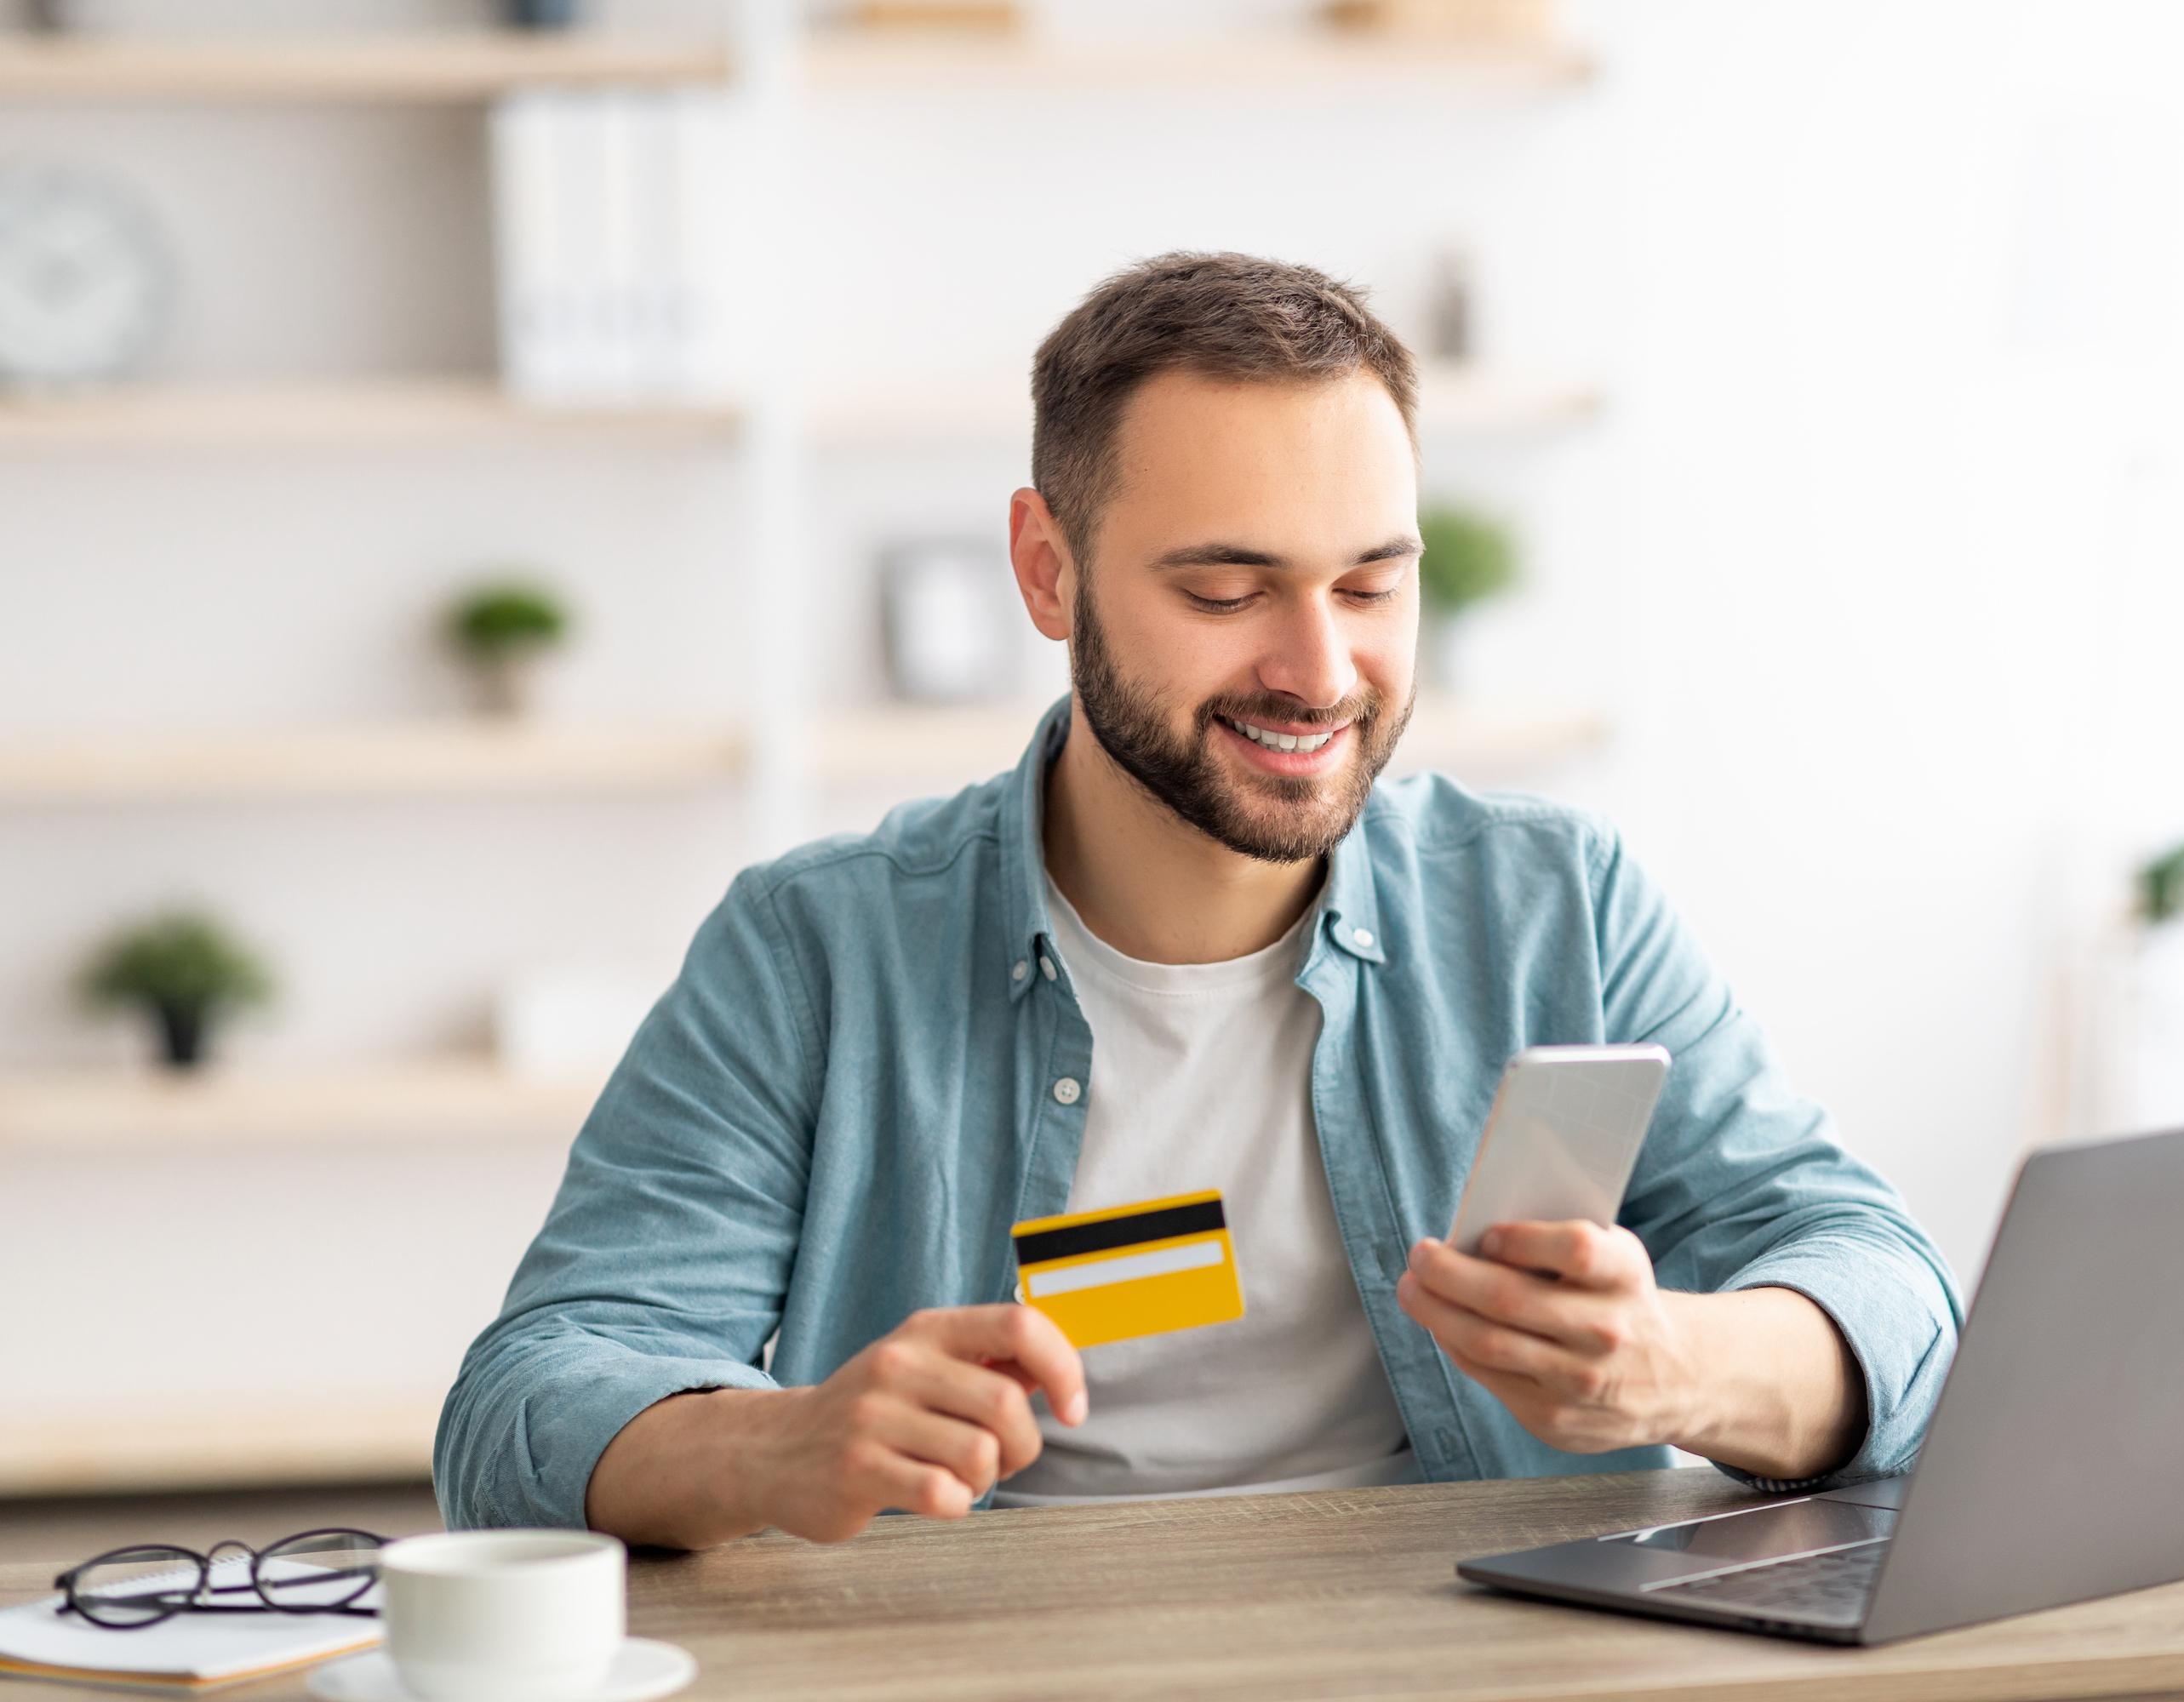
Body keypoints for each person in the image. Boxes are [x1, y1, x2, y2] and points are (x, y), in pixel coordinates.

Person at [434, 252, 1962, 1548]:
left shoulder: (1555, 902)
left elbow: (1891, 1294)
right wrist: (770, 1445)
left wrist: (1678, 1365)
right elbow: (525, 1397)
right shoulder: (819, 951)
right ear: (1048, 570)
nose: (1317, 671)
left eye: (1371, 585)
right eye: (1226, 594)